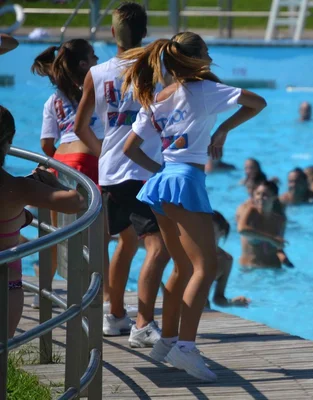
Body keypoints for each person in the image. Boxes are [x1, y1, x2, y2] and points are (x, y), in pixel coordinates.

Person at [120, 32, 267, 380]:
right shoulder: (205, 91)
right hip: (185, 181)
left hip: (163, 181)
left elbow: (130, 148)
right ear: (198, 58)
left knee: (182, 266)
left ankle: (167, 340)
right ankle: (186, 348)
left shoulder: (159, 97)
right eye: (206, 51)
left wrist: (164, 172)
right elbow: (258, 103)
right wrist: (223, 132)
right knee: (207, 264)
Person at [73, 2, 168, 346]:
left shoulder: (96, 74)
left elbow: (80, 126)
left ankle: (114, 315)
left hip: (112, 171)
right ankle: (143, 323)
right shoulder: (156, 68)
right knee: (158, 247)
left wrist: (105, 154)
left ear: (112, 33)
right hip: (143, 170)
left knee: (126, 242)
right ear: (145, 32)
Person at [31, 39, 112, 310]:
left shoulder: (52, 100)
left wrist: (59, 163)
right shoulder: (96, 90)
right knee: (99, 236)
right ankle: (108, 300)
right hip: (88, 158)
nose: (97, 59)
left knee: (53, 233)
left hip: (61, 162)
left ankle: (43, 291)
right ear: (83, 64)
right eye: (93, 56)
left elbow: (45, 145)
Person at [0, 105, 86, 338]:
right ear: (8, 142)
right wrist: (51, 183)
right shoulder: (18, 188)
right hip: (6, 289)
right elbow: (76, 201)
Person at [238, 181, 293, 268]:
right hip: (251, 269)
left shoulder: (280, 220)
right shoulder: (251, 211)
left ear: (274, 197)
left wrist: (285, 260)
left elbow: (279, 248)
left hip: (274, 268)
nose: (260, 197)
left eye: (265, 195)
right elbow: (242, 230)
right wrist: (271, 239)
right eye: (258, 194)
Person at [210, 211, 250, 307]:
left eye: (210, 230)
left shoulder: (225, 260)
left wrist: (232, 302)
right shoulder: (189, 251)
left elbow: (218, 298)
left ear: (221, 233)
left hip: (202, 308)